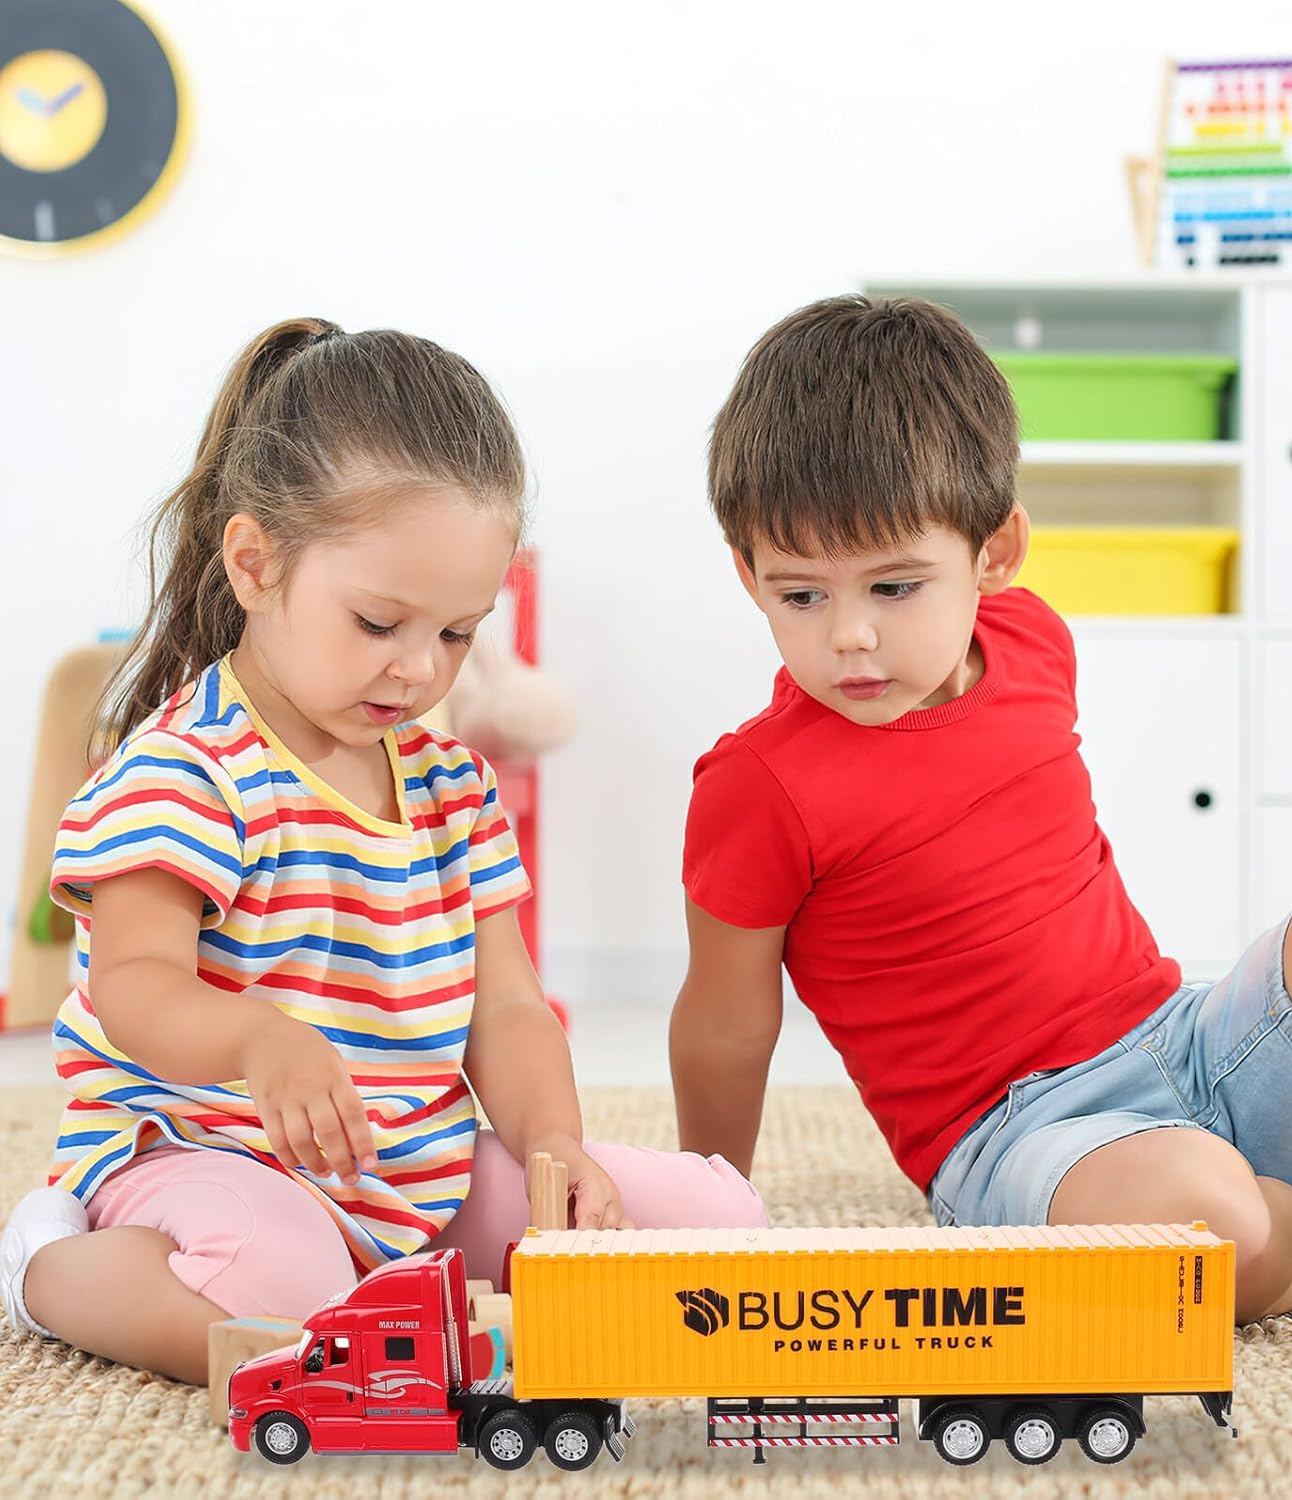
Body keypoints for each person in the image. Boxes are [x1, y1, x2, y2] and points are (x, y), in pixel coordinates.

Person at [671, 293, 1292, 1351]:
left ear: (996, 553)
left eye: (895, 586)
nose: (851, 637)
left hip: (1188, 1041)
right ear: (746, 573)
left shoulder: (1031, 642)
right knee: (1209, 1229)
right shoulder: (759, 785)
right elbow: (726, 1023)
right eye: (801, 597)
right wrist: (709, 1212)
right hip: (1020, 1138)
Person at [0, 318, 765, 1385]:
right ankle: (47, 1268)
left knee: (718, 1224)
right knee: (288, 1291)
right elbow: (132, 985)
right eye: (378, 623)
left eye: (456, 633)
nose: (418, 669)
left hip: (412, 1179)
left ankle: (388, 1289)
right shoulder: (185, 771)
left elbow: (508, 1007)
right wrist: (258, 1040)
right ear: (255, 564)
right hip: (202, 1157)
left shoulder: (452, 789)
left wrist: (553, 1146)